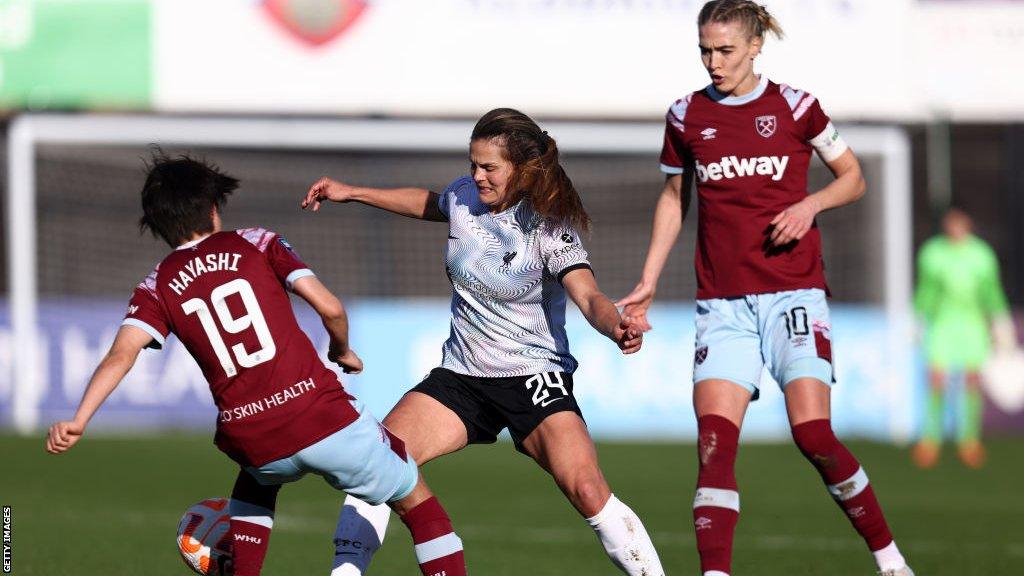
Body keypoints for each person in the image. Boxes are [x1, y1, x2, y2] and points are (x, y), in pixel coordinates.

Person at [45, 153, 468, 576]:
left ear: (156, 224)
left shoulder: (157, 285)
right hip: (319, 415)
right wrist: (342, 349)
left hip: (253, 437)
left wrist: (80, 418)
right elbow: (330, 306)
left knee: (254, 484)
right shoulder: (255, 242)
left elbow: (121, 355)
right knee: (417, 500)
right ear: (213, 207)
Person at [615, 2, 914, 575]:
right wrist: (649, 279)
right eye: (704, 49)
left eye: (725, 50)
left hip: (793, 295)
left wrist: (810, 203)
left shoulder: (796, 106)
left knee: (814, 434)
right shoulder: (685, 116)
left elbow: (853, 177)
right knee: (714, 448)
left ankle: (891, 560)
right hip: (722, 305)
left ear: (755, 48)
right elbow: (675, 199)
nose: (713, 61)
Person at [301, 108, 665, 576]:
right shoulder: (464, 196)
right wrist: (352, 192)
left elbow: (589, 295)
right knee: (376, 463)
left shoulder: (549, 227)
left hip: (533, 377)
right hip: (463, 378)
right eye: (473, 164)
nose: (477, 176)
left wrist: (616, 326)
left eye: (489, 167)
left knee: (587, 490)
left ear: (521, 168)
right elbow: (431, 202)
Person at [912, 207, 1015, 468]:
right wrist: (918, 319)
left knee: (972, 380)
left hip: (972, 323)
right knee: (936, 379)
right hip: (943, 323)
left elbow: (991, 291)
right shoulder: (933, 253)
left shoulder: (981, 255)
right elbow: (926, 289)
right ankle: (930, 439)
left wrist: (999, 321)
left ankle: (969, 440)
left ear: (968, 224)